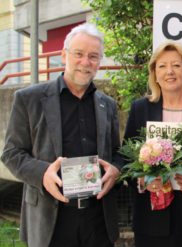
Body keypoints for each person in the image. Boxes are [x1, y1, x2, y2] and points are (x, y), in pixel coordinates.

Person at [1, 23, 121, 247]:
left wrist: (116, 169)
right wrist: (43, 172)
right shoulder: (29, 99)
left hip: (98, 219)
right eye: (79, 54)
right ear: (64, 54)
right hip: (51, 220)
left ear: (99, 61)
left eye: (93, 56)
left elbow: (117, 153)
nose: (85, 62)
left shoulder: (108, 104)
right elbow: (11, 153)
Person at [122, 40, 182, 247]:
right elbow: (126, 160)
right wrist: (144, 180)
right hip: (150, 220)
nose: (169, 71)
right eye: (162, 66)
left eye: (176, 65)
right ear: (154, 73)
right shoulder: (140, 109)